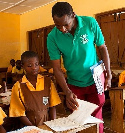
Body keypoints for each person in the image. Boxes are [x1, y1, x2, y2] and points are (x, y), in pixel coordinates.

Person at [47, 2, 112, 132]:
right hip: (74, 84)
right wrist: (67, 91)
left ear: (73, 16)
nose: (62, 29)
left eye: (66, 24)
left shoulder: (90, 23)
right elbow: (57, 69)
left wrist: (108, 74)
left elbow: (102, 48)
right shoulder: (52, 37)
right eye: (58, 25)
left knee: (96, 118)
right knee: (78, 120)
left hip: (95, 81)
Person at [9, 51, 61, 127]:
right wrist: (33, 128)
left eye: (36, 64)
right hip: (28, 124)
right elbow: (19, 113)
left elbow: (52, 106)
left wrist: (52, 124)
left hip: (46, 123)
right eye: (29, 66)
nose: (34, 68)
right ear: (22, 66)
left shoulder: (48, 82)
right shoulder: (18, 86)